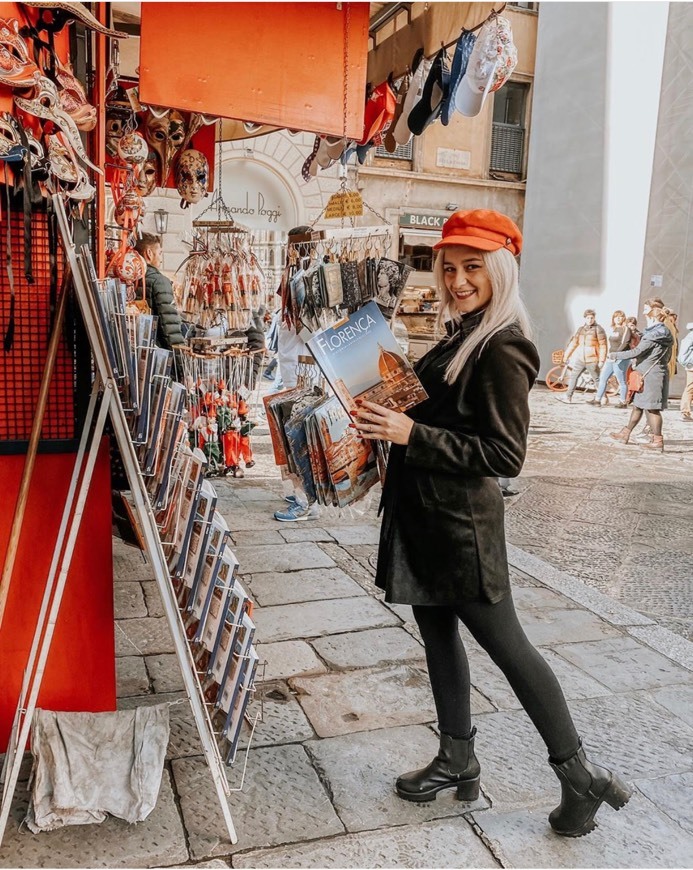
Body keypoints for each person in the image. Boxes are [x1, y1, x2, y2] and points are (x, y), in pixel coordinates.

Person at [351, 209, 631, 838]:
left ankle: (581, 778)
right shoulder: (461, 334)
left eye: (472, 267)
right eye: (449, 267)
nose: (456, 280)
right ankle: (458, 759)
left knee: (510, 649)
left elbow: (505, 455)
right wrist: (378, 399)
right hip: (426, 519)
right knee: (439, 639)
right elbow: (437, 413)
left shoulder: (505, 344)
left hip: (462, 529)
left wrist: (410, 431)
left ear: (500, 269)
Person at [608, 305, 673, 452]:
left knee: (652, 409)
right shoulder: (664, 334)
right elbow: (667, 357)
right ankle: (625, 433)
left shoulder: (654, 335)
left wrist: (615, 355)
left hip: (651, 376)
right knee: (638, 405)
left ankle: (658, 441)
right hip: (650, 374)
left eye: (647, 317)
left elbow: (637, 351)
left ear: (652, 317)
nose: (646, 320)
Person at [134, 234, 186, 367]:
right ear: (149, 254)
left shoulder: (132, 279)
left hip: (135, 353)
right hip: (157, 358)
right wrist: (182, 367)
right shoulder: (160, 282)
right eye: (160, 253)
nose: (161, 259)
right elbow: (171, 329)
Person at [556, 309, 607, 404]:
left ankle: (603, 397)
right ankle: (568, 397)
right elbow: (574, 343)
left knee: (597, 379)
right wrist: (566, 356)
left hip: (592, 360)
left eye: (592, 317)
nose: (590, 319)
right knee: (573, 377)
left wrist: (601, 360)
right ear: (585, 318)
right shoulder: (581, 329)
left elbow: (603, 346)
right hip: (580, 359)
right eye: (588, 318)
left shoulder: (598, 329)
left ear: (594, 318)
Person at [589, 310, 630, 408]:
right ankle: (598, 399)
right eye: (616, 317)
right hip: (610, 357)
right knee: (603, 378)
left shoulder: (625, 329)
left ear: (623, 318)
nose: (618, 319)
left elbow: (625, 343)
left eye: (620, 317)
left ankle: (623, 401)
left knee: (621, 380)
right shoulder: (614, 329)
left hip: (620, 357)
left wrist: (617, 354)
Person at [678, 321, 693, 422]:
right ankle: (685, 412)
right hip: (692, 365)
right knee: (690, 388)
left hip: (690, 365)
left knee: (690, 387)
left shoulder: (690, 335)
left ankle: (685, 411)